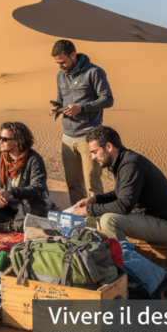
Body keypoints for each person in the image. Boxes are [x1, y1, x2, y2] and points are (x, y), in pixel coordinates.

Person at [69, 126, 167, 243]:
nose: (93, 157)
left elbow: (124, 206)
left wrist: (89, 210)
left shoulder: (131, 164)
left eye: (95, 152)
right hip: (152, 220)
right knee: (99, 216)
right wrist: (94, 200)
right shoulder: (122, 161)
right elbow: (120, 193)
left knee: (108, 221)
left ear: (108, 146)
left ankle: (123, 253)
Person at [50, 39, 114, 206]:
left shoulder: (94, 72)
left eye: (62, 62)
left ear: (73, 55)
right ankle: (78, 216)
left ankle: (95, 217)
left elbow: (108, 99)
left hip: (89, 136)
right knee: (73, 184)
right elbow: (60, 99)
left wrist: (82, 108)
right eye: (57, 63)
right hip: (67, 137)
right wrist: (57, 108)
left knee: (92, 184)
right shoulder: (60, 75)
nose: (60, 66)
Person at [0, 122, 54, 233]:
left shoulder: (34, 159)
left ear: (17, 141)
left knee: (33, 207)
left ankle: (7, 226)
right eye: (0, 138)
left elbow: (37, 188)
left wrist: (10, 192)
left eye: (5, 139)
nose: (0, 141)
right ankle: (17, 223)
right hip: (8, 204)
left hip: (27, 203)